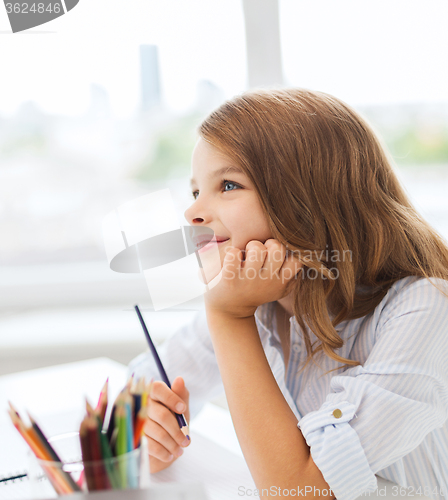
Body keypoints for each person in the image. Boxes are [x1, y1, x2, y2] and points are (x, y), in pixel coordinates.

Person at [129, 88, 448, 500]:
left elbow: (297, 491)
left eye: (227, 185)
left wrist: (229, 318)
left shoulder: (425, 308)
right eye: (195, 191)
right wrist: (145, 420)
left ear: (308, 200)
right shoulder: (256, 299)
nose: (192, 213)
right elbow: (140, 386)